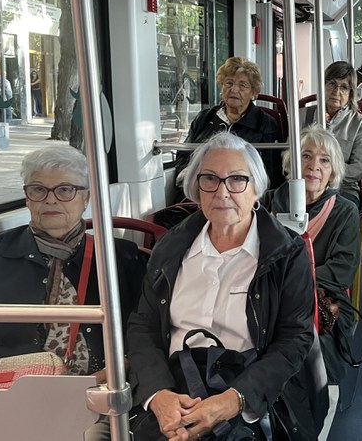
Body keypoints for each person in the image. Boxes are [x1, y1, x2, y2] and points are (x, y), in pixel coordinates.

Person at [0, 145, 147, 439]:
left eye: (65, 190)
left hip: (90, 396)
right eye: (38, 190)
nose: (50, 199)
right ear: (27, 197)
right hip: (1, 391)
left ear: (86, 198)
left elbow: (145, 331)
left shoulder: (119, 257)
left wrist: (109, 375)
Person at [127, 132, 327, 440]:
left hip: (249, 388)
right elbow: (144, 326)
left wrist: (233, 401)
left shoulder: (286, 253)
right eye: (210, 179)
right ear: (197, 189)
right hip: (174, 385)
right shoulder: (170, 247)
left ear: (256, 189)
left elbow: (294, 340)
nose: (222, 192)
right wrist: (158, 395)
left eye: (237, 179)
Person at [260, 125, 361, 440]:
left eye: (324, 160)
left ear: (332, 173)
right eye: (306, 156)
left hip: (322, 300)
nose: (313, 165)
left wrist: (291, 285)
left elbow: (341, 270)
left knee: (308, 345)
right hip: (271, 297)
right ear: (292, 162)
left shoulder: (345, 211)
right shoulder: (268, 202)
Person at [174, 57, 283, 202]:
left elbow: (270, 173)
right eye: (229, 83)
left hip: (243, 195)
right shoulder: (204, 118)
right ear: (222, 87)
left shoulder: (265, 123)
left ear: (253, 93)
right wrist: (197, 179)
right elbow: (183, 156)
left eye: (242, 85)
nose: (234, 89)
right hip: (200, 193)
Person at [300, 61, 362, 210]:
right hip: (304, 185)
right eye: (332, 84)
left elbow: (360, 167)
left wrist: (325, 173)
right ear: (323, 86)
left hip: (343, 188)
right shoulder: (302, 116)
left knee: (342, 210)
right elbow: (289, 156)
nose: (336, 91)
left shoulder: (360, 125)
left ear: (351, 93)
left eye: (344, 87)